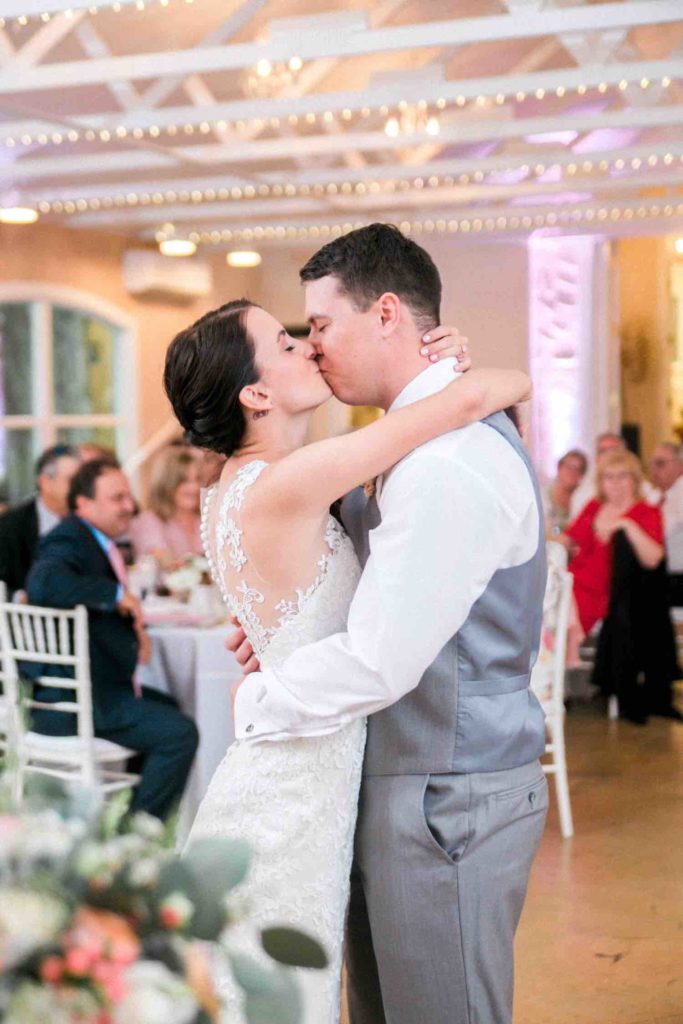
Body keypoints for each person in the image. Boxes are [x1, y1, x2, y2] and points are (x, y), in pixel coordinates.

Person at [166, 224, 547, 1024]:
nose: (311, 347)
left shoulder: (439, 457)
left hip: (442, 789)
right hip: (338, 782)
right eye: (293, 339)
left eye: (317, 327)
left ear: (382, 315)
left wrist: (265, 688)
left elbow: (376, 658)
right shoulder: (343, 460)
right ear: (255, 394)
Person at [26, 458, 199, 820]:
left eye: (128, 496)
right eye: (117, 498)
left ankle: (126, 818)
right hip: (74, 701)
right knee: (180, 733)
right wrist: (117, 595)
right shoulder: (69, 538)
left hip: (94, 689)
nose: (129, 506)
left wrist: (134, 631)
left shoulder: (95, 540)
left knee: (170, 708)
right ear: (83, 504)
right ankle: (135, 840)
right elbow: (43, 583)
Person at [562, 449, 678, 722]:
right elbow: (569, 540)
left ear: (634, 479)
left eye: (621, 476)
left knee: (554, 614)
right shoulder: (593, 507)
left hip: (607, 594)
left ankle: (551, 682)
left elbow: (654, 558)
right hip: (575, 580)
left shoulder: (645, 512)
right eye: (608, 478)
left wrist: (625, 523)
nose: (614, 483)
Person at [0, 444, 81, 596]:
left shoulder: (86, 519)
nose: (80, 488)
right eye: (72, 481)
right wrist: (20, 599)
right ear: (45, 482)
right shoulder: (10, 525)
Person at [130, 446, 203, 565]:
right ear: (167, 483)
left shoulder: (206, 519)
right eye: (184, 481)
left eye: (198, 479)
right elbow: (164, 561)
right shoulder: (149, 521)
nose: (194, 487)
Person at [648, 442, 683, 605]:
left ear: (679, 465)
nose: (654, 469)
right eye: (652, 463)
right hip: (656, 576)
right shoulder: (651, 496)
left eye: (660, 463)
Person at [568, 431, 625, 519]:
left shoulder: (642, 488)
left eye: (614, 450)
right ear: (596, 458)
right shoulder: (583, 495)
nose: (609, 455)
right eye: (603, 451)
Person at [543, 448, 588, 537]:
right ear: (559, 467)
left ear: (581, 476)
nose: (572, 472)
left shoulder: (583, 501)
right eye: (568, 467)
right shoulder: (543, 496)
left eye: (577, 469)